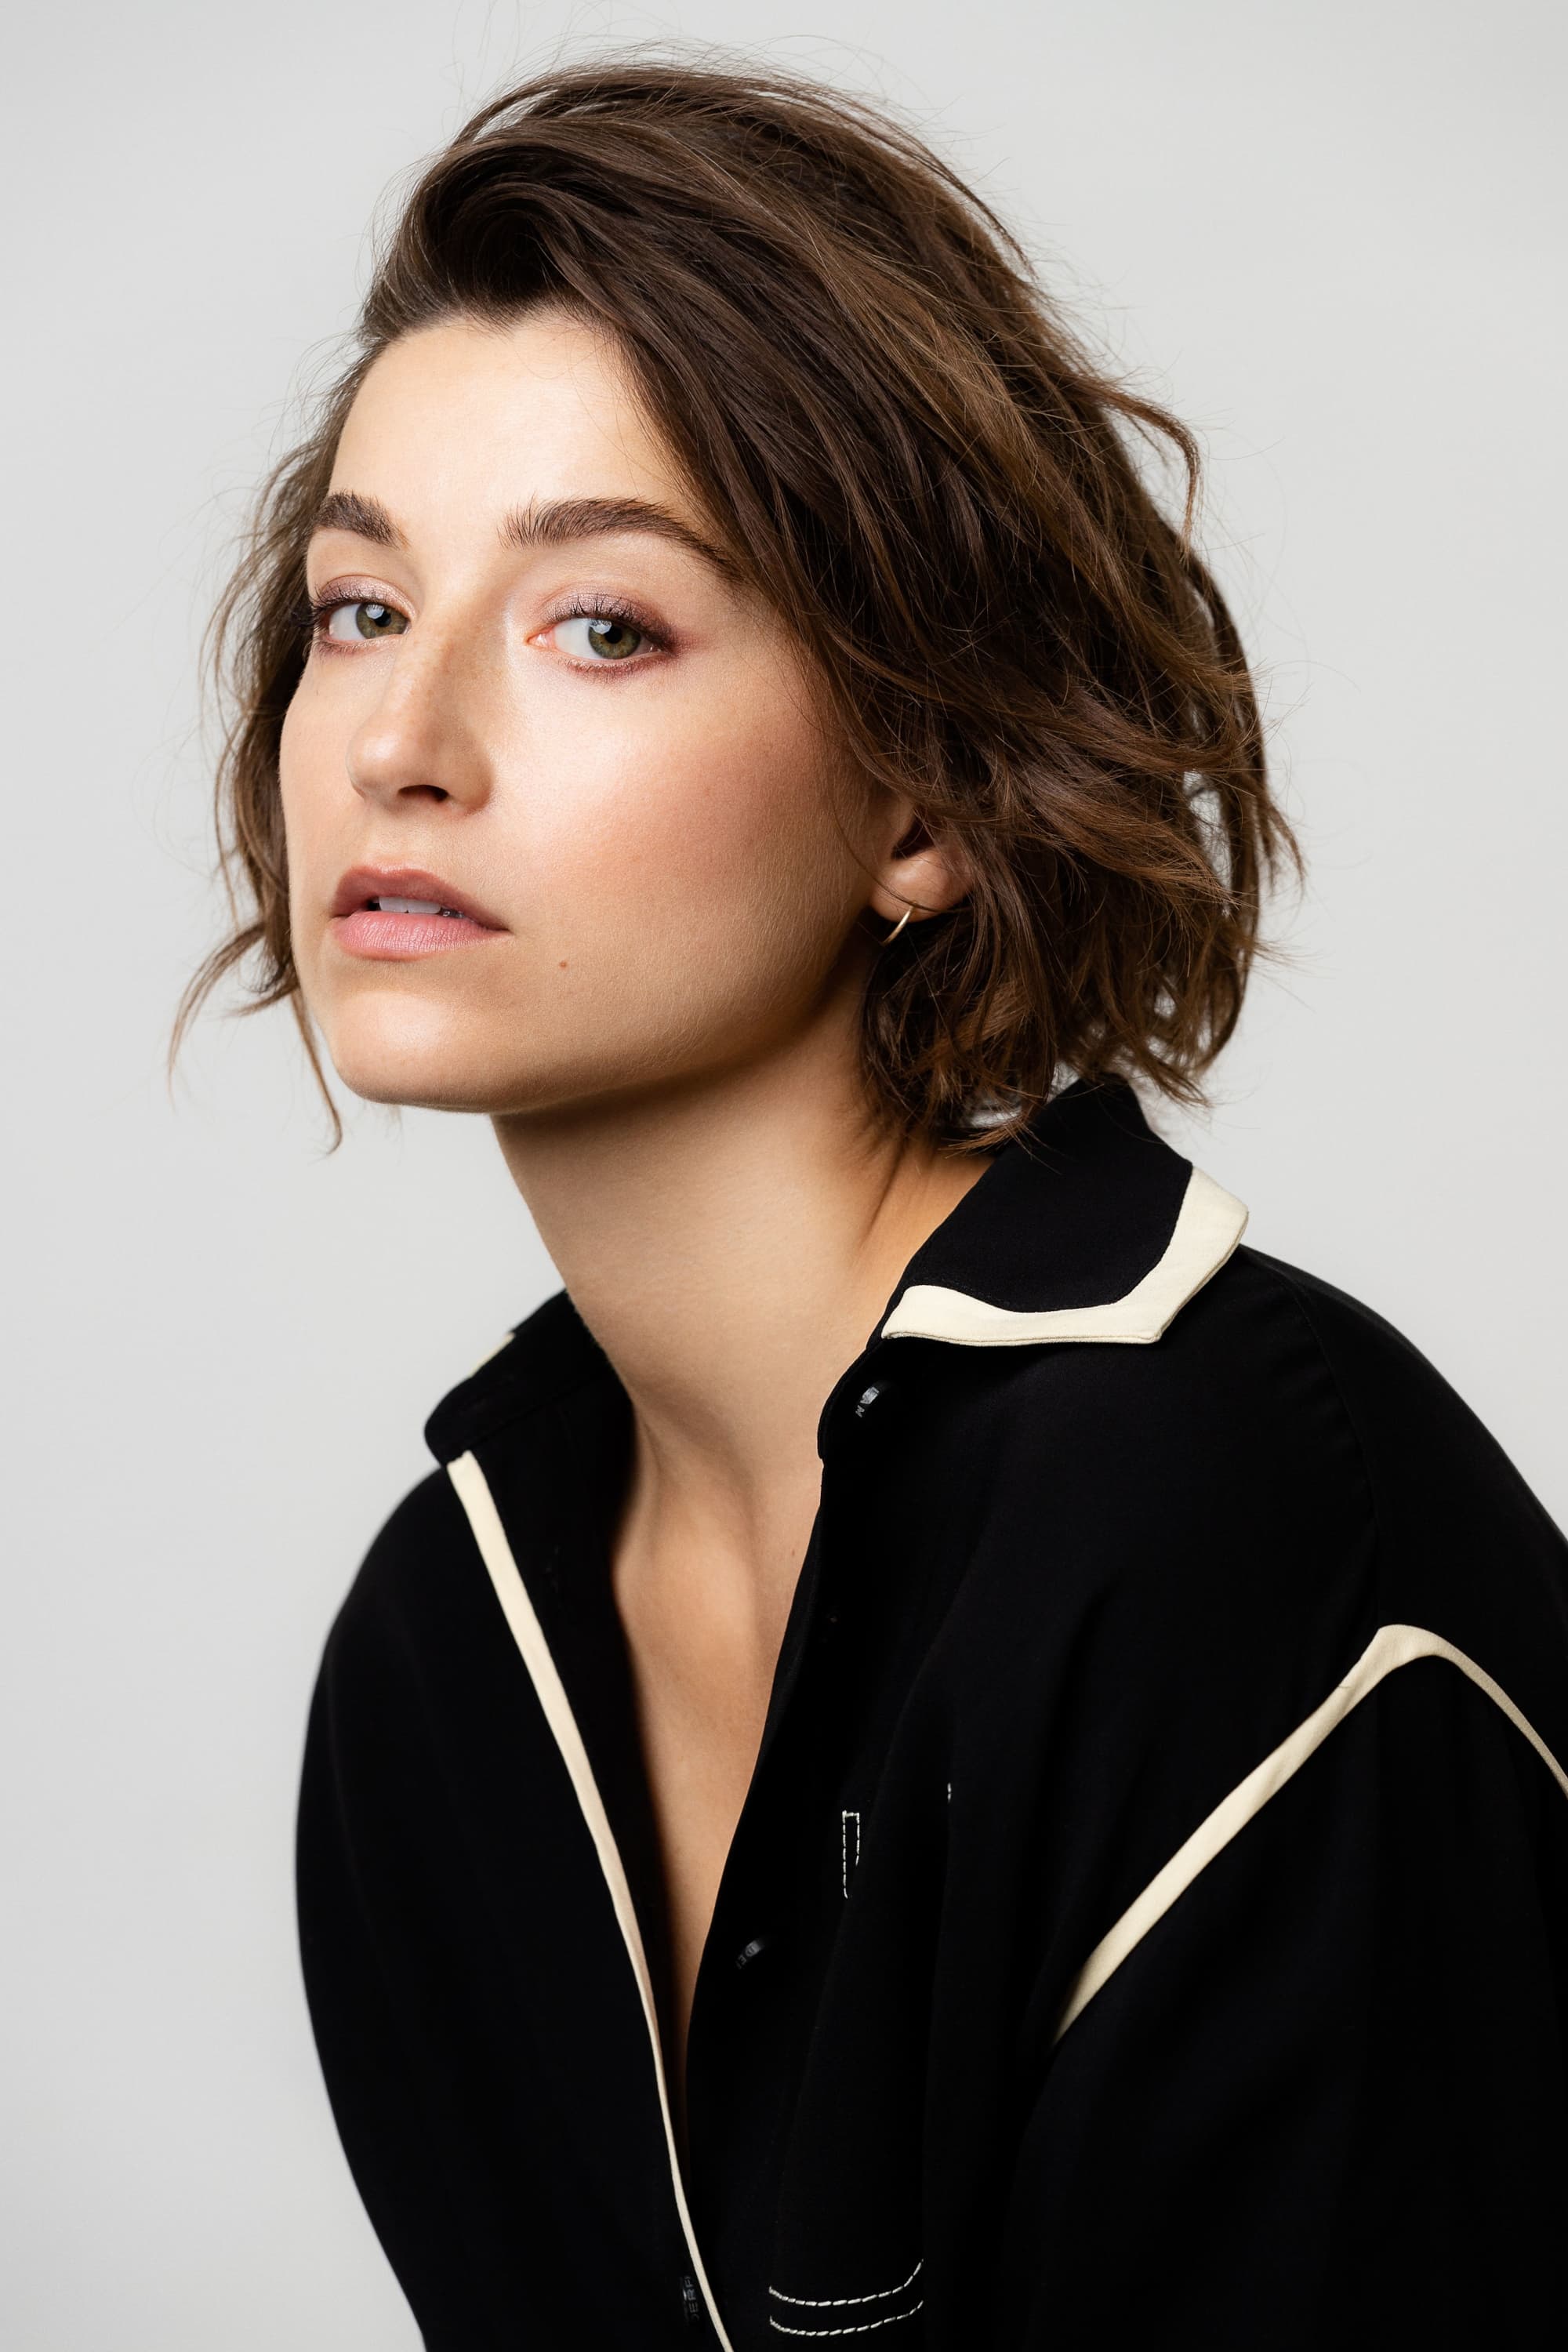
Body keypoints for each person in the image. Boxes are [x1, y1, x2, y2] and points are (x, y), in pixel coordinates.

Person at [179, 56, 1568, 2351]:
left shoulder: (1220, 1540)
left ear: (920, 791)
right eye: (358, 606)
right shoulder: (446, 1657)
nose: (401, 741)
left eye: (600, 624)